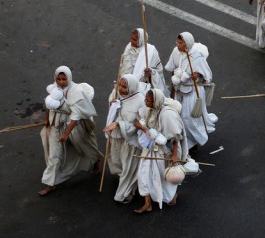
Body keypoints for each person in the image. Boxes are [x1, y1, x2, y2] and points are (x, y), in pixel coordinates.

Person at [39, 66, 102, 196]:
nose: (61, 82)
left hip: (72, 127)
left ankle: (95, 161)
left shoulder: (75, 92)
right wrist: (47, 120)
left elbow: (75, 116)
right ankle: (50, 184)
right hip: (55, 127)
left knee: (85, 147)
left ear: (69, 78)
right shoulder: (54, 88)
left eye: (64, 79)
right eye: (58, 79)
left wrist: (66, 134)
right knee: (54, 156)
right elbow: (50, 106)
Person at [133, 89, 188, 213]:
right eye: (145, 99)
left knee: (163, 178)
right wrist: (142, 127)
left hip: (164, 151)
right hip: (150, 149)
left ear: (155, 101)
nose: (145, 102)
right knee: (144, 175)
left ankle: (171, 196)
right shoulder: (149, 110)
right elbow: (138, 121)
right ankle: (147, 203)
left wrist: (174, 155)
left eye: (148, 100)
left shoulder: (168, 115)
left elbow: (176, 138)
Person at [165, 32, 217, 151]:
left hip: (192, 92)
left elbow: (207, 75)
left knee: (189, 119)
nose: (178, 45)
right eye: (177, 42)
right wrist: (174, 86)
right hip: (179, 90)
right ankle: (183, 141)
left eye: (180, 43)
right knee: (179, 117)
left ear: (187, 43)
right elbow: (172, 69)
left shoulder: (197, 57)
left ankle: (195, 141)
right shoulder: (176, 52)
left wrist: (197, 75)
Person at [103, 74, 146, 203]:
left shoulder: (140, 101)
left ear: (132, 87)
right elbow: (113, 107)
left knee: (128, 167)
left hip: (130, 141)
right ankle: (130, 181)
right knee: (116, 161)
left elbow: (138, 123)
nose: (120, 89)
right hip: (116, 136)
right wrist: (113, 104)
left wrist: (117, 124)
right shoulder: (117, 94)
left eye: (124, 86)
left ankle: (125, 193)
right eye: (120, 85)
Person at [117, 28, 167, 97]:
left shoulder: (150, 51)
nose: (131, 41)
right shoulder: (128, 48)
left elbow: (159, 71)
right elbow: (124, 66)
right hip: (125, 85)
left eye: (134, 39)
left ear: (141, 40)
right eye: (131, 38)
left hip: (142, 90)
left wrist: (150, 73)